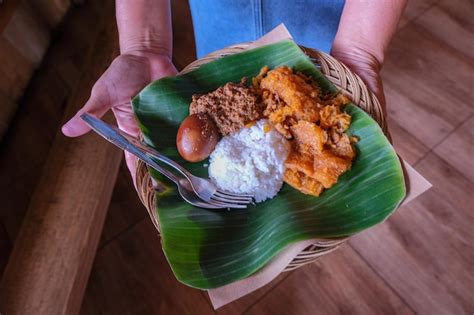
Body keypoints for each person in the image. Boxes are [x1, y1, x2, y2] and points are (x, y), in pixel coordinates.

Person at [61, 0, 407, 181]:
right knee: (227, 71)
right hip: (220, 10)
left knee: (320, 75)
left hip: (330, 11)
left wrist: (359, 54)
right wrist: (143, 47)